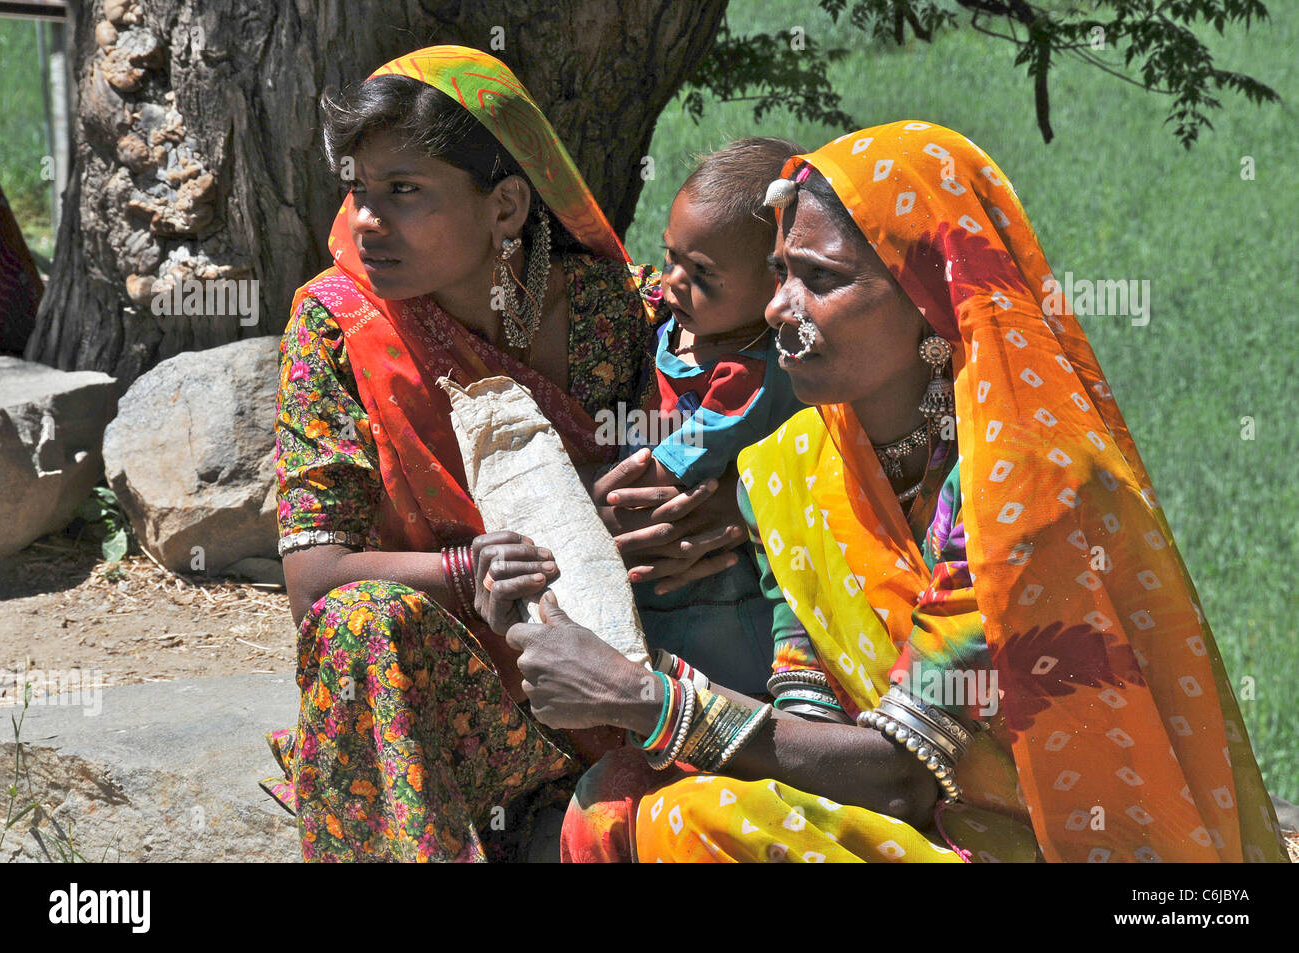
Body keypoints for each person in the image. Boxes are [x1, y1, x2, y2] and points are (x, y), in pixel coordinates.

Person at [482, 120, 1289, 862]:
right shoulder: (793, 463)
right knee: (624, 805)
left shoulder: (1027, 490)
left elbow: (904, 773)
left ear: (935, 301)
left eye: (820, 280)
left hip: (1042, 841)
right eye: (779, 274)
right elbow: (813, 710)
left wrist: (643, 696)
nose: (777, 309)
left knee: (690, 824)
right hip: (914, 826)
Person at [263, 45, 740, 862]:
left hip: (615, 671)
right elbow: (314, 581)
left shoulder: (603, 308)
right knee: (358, 624)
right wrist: (470, 572)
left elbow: (754, 396)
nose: (367, 220)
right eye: (360, 190)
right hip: (450, 690)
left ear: (508, 206)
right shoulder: (337, 329)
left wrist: (724, 503)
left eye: (404, 191)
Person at [627, 137, 807, 694]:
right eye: (672, 256)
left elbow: (671, 470)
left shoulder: (747, 372)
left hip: (721, 584)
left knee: (715, 689)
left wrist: (584, 498)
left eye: (702, 274)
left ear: (776, 282)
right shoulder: (677, 323)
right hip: (668, 562)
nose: (674, 281)